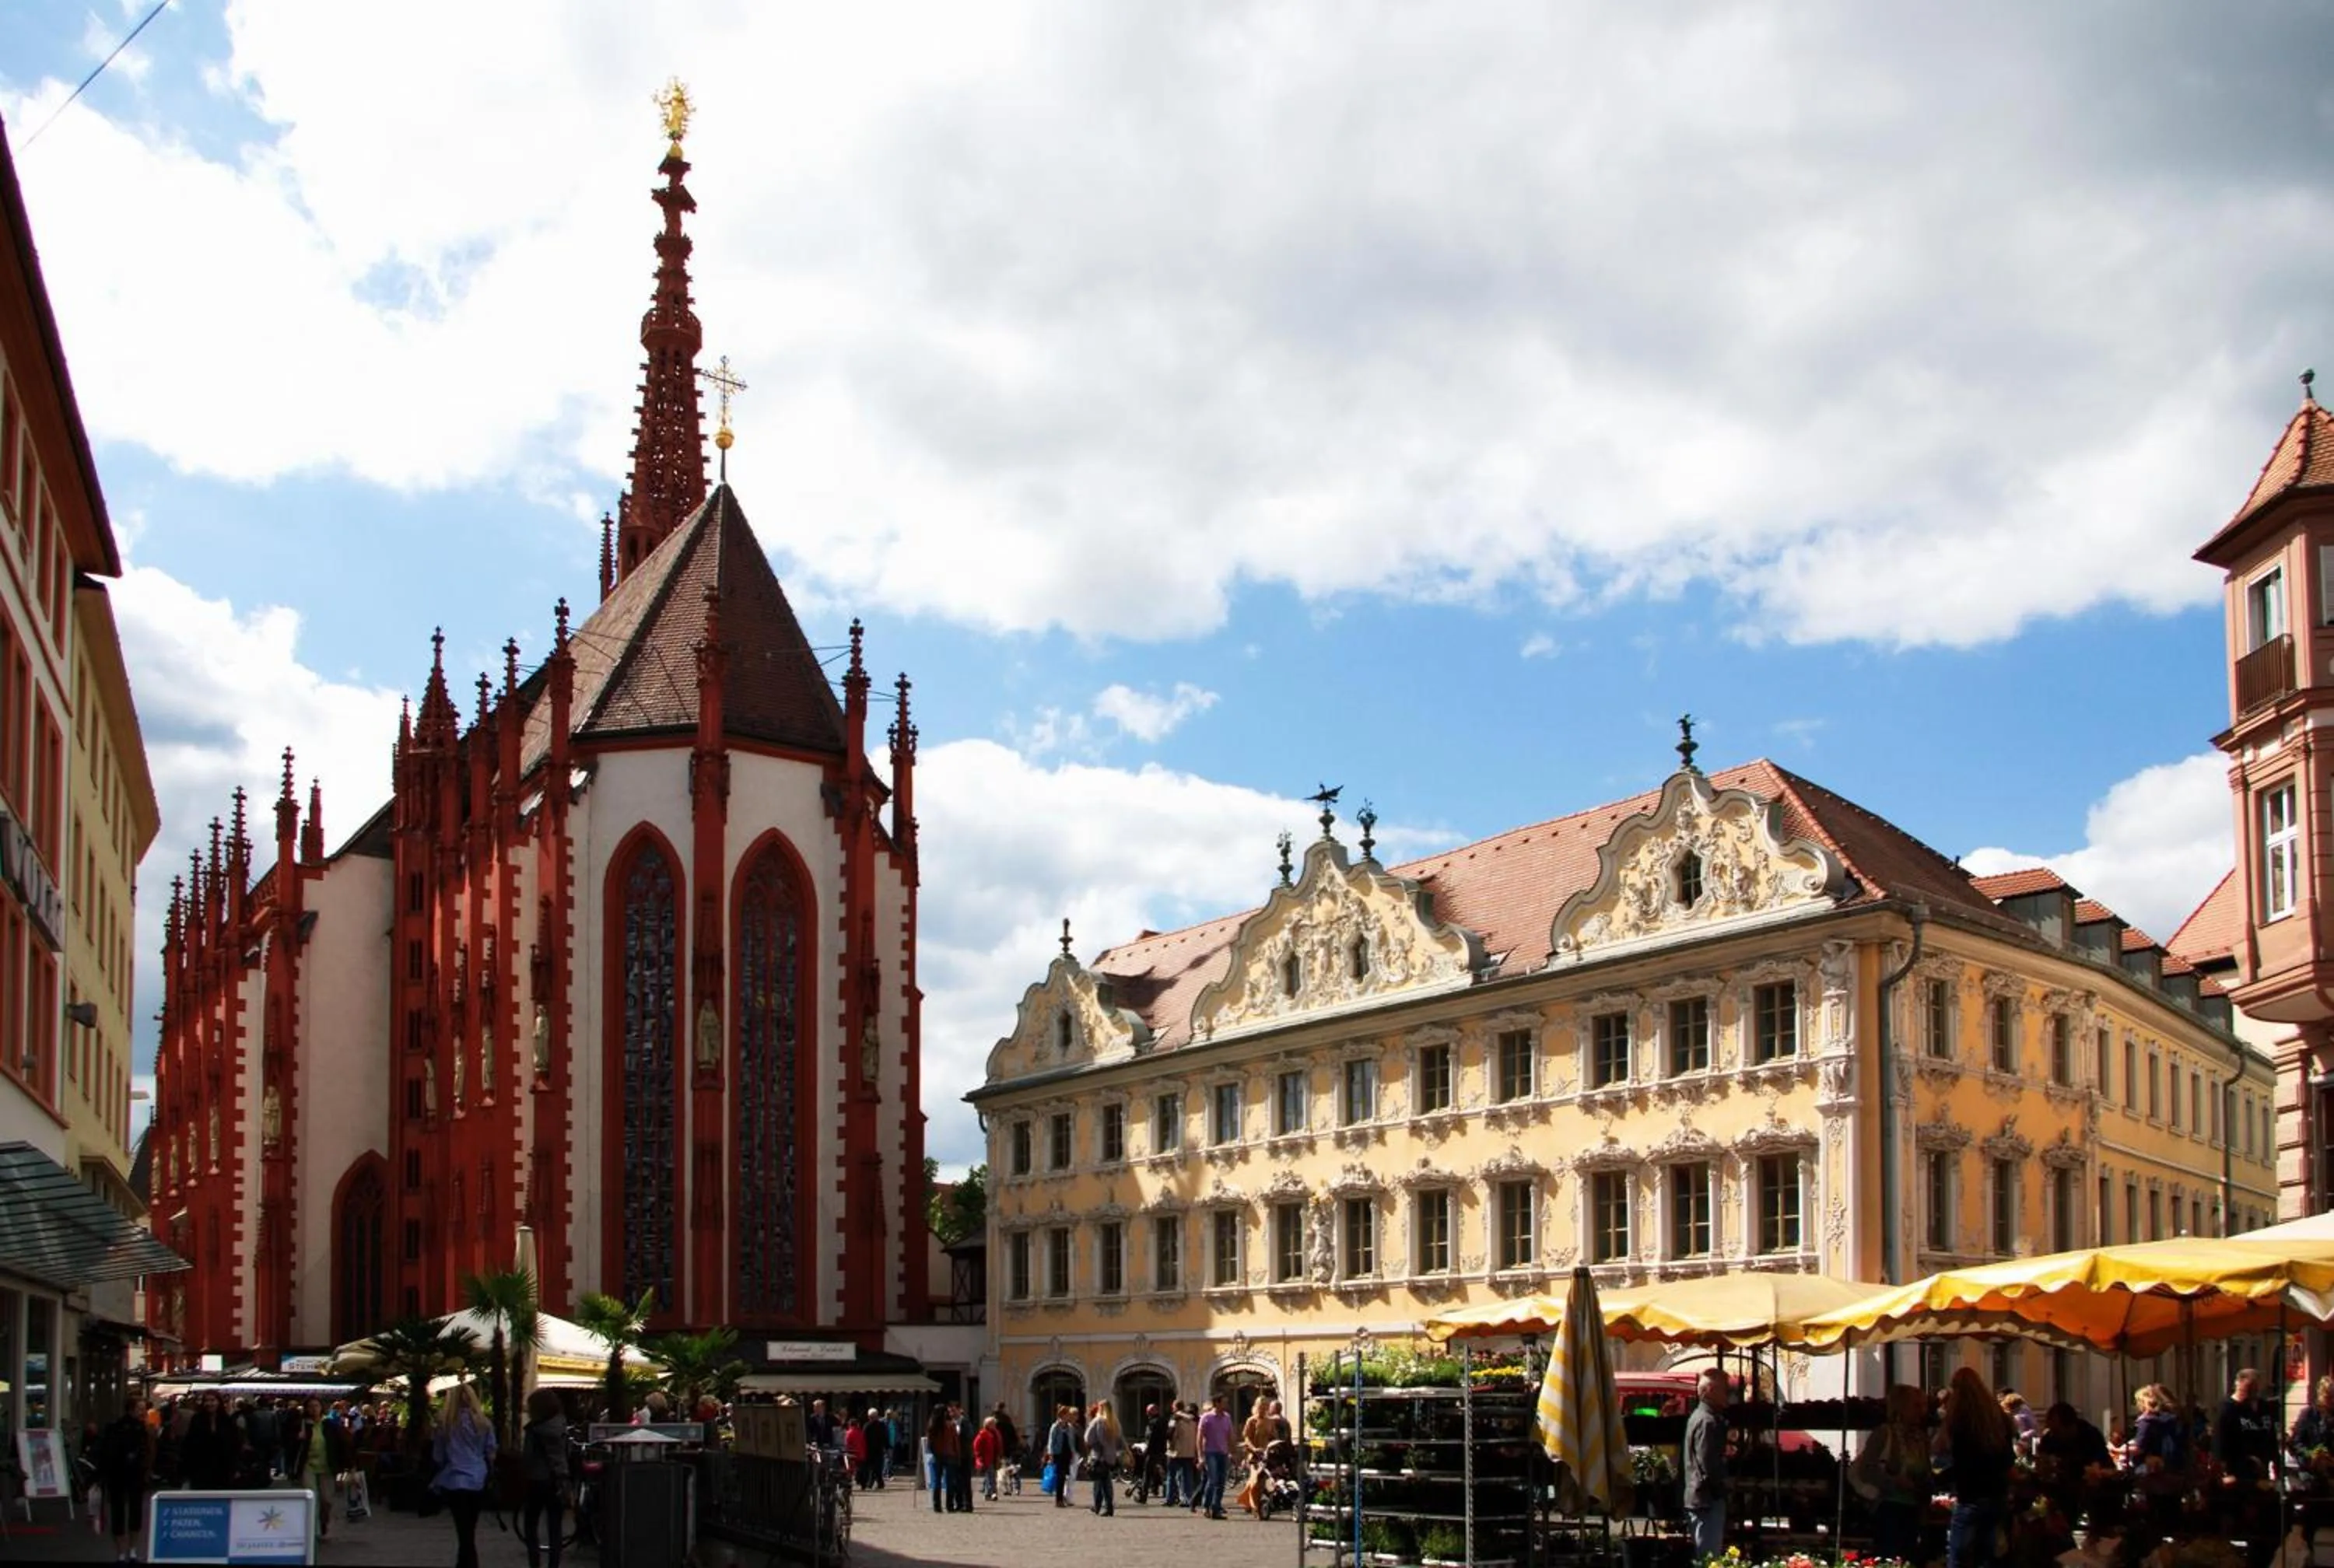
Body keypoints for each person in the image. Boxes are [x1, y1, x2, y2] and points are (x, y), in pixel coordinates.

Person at [1937, 1367, 2014, 1568]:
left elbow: (1962, 1462)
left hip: (1970, 1496)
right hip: (1997, 1494)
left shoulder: (1961, 1419)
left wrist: (1937, 1479)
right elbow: (2008, 1458)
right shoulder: (1996, 1416)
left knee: (1958, 1558)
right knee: (1987, 1557)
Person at [1852, 1384, 1931, 1563]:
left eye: (1923, 1406)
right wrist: (1894, 1482)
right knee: (1890, 1558)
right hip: (1889, 1509)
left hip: (1914, 1510)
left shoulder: (1921, 1438)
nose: (1922, 1411)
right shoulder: (1884, 1434)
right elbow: (1867, 1469)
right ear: (1901, 1407)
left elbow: (1926, 1471)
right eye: (1916, 1405)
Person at [432, 1383, 498, 1568]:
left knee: (463, 1529)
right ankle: (466, 1563)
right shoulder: (484, 1423)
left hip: (454, 1479)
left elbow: (438, 1456)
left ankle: (466, 1563)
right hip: (477, 1478)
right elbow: (491, 1451)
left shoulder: (445, 1424)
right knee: (470, 1527)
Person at [96, 1394, 153, 1564]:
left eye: (144, 1409)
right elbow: (109, 1452)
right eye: (140, 1409)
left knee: (130, 1513)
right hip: (121, 1475)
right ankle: (126, 1551)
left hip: (131, 1475)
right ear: (131, 1409)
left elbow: (147, 1451)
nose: (143, 1412)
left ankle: (128, 1551)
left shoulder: (143, 1428)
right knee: (123, 1513)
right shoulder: (118, 1427)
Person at [281, 1398, 345, 1540]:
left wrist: (347, 1466)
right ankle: (312, 1530)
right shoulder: (301, 1425)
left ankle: (324, 1524)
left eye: (316, 1406)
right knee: (311, 1497)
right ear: (306, 1409)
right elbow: (288, 1445)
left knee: (326, 1500)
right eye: (311, 1406)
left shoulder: (329, 1425)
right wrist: (297, 1439)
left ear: (322, 1408)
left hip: (326, 1466)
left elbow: (340, 1445)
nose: (314, 1409)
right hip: (307, 1466)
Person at [2132, 1382, 2191, 1535]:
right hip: (2177, 1471)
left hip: (2155, 1473)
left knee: (2154, 1514)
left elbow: (2139, 1447)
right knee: (2173, 1512)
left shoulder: (2148, 1421)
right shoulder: (2180, 1419)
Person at [519, 1388, 569, 1568]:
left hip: (537, 1479)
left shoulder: (534, 1430)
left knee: (531, 1524)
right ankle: (554, 1565)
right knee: (555, 1527)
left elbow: (528, 1456)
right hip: (558, 1480)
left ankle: (535, 1563)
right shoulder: (561, 1425)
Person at [1684, 1368, 1730, 1562]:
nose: (1728, 1395)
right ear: (1711, 1390)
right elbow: (1708, 1463)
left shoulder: (1699, 1416)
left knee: (1706, 1555)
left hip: (1699, 1496)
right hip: (1707, 1499)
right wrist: (1723, 1486)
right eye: (1725, 1389)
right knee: (1709, 1558)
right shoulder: (1707, 1421)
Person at [183, 1391, 240, 1491]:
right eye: (206, 1401)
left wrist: (235, 1468)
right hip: (201, 1467)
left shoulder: (227, 1421)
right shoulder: (197, 1419)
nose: (209, 1403)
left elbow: (234, 1445)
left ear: (218, 1402)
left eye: (212, 1400)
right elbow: (189, 1444)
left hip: (223, 1468)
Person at [1198, 1392, 1235, 1520]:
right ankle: (1206, 1506)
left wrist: (1232, 1452)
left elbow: (1230, 1436)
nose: (1226, 1404)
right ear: (1217, 1403)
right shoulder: (1206, 1417)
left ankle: (1216, 1508)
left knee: (1221, 1482)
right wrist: (1200, 1456)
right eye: (1224, 1402)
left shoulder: (1227, 1418)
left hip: (1223, 1453)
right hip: (1210, 1452)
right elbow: (1199, 1437)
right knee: (1213, 1480)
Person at [1083, 1401, 1123, 1516]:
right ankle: (1102, 1506)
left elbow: (1089, 1438)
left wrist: (1095, 1447)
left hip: (1099, 1456)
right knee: (1104, 1481)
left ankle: (1104, 1507)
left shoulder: (1099, 1421)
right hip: (1110, 1456)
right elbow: (1119, 1439)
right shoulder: (1114, 1422)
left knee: (1101, 1482)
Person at [1165, 1400, 1200, 1508]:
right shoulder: (1193, 1420)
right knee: (1187, 1476)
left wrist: (1169, 1445)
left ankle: (1170, 1498)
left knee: (1171, 1476)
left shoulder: (1175, 1418)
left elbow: (1169, 1434)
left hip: (1176, 1452)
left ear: (1175, 1407)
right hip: (1189, 1452)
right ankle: (1188, 1498)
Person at [1046, 1403, 1081, 1510]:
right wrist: (1051, 1454)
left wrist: (1073, 1453)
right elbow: (1051, 1442)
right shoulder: (1055, 1426)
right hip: (1058, 1454)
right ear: (1061, 1415)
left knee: (1065, 1476)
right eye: (1066, 1415)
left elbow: (1071, 1442)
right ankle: (1059, 1500)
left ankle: (1062, 1498)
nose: (1068, 1416)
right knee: (1060, 1477)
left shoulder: (1069, 1427)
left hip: (1067, 1454)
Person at [926, 1405, 959, 1514]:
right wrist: (957, 1454)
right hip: (950, 1454)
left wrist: (934, 1452)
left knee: (937, 1481)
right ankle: (950, 1505)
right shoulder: (951, 1425)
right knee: (950, 1481)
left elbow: (930, 1443)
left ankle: (937, 1505)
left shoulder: (932, 1425)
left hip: (937, 1455)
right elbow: (955, 1441)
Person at [1140, 1402, 1170, 1503]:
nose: (1147, 1414)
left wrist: (1146, 1450)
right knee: (1165, 1472)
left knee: (1147, 1473)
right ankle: (1167, 1493)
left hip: (1153, 1451)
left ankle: (1143, 1496)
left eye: (1149, 1412)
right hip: (1163, 1450)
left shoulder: (1152, 1423)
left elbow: (1150, 1438)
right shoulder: (1164, 1421)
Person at [973, 1415, 1004, 1500]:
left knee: (991, 1476)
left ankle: (988, 1493)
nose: (994, 1425)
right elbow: (976, 1446)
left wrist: (1000, 1455)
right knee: (991, 1476)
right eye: (992, 1424)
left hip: (995, 1458)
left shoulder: (996, 1433)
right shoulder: (983, 1434)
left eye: (994, 1424)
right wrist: (979, 1457)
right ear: (987, 1424)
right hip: (986, 1458)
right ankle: (993, 1493)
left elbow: (999, 1445)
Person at [861, 1409, 889, 1490]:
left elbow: (863, 1438)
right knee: (877, 1467)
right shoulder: (882, 1425)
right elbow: (885, 1436)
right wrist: (886, 1446)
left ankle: (871, 1483)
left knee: (872, 1467)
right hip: (878, 1449)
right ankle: (879, 1483)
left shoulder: (867, 1426)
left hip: (870, 1450)